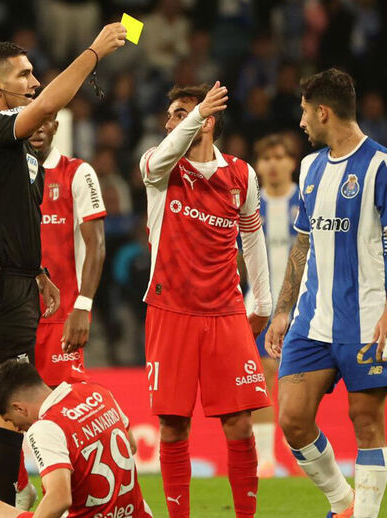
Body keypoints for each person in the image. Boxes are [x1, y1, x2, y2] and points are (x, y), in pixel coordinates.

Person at [0, 24, 126, 518]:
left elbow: (11, 219)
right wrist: (93, 53)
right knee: (4, 413)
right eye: (24, 74)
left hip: (9, 283)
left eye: (35, 73)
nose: (34, 81)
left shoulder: (22, 158)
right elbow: (46, 106)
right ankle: (2, 510)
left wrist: (37, 271)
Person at [265, 69, 387, 518]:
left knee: (366, 422)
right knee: (292, 419)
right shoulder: (310, 168)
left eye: (305, 113)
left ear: (323, 111)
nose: (302, 123)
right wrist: (283, 309)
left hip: (368, 319)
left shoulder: (384, 166)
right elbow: (304, 241)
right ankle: (343, 503)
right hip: (312, 320)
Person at [139, 82, 272, 518]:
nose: (168, 123)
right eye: (172, 115)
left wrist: (263, 302)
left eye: (179, 114)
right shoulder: (159, 167)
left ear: (208, 121)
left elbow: (252, 235)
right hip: (170, 310)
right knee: (173, 424)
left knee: (239, 422)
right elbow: (160, 158)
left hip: (225, 311)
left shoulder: (242, 174)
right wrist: (194, 116)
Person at [13, 112, 107, 503]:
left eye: (45, 121)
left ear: (56, 126)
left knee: (68, 406)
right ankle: (20, 490)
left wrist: (82, 306)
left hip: (59, 315)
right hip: (13, 312)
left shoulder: (77, 173)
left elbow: (96, 243)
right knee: (4, 407)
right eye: (31, 122)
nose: (38, 129)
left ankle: (87, 490)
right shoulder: (7, 175)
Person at [0, 357, 153, 518]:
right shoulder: (97, 392)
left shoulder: (45, 427)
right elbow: (131, 445)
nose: (17, 428)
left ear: (19, 408)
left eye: (11, 420)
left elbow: (60, 498)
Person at [245, 134, 301, 477]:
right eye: (267, 158)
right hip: (260, 304)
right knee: (263, 376)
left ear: (291, 162)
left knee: (299, 381)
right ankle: (265, 458)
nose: (274, 164)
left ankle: (300, 451)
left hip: (304, 303)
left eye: (281, 157)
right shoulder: (251, 204)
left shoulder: (306, 200)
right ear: (258, 166)